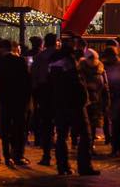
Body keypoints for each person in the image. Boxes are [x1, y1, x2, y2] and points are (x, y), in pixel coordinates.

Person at [50, 39, 99, 176]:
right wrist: (84, 98)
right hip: (75, 104)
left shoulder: (54, 62)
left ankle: (62, 166)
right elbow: (76, 83)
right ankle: (84, 166)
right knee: (86, 135)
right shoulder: (70, 62)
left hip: (59, 103)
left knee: (62, 135)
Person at [0, 38, 31, 165]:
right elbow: (26, 81)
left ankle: (7, 155)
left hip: (5, 98)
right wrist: (27, 99)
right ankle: (18, 154)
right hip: (19, 99)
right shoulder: (20, 60)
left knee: (6, 127)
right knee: (19, 128)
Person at [31, 32, 58, 165]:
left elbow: (34, 76)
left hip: (44, 91)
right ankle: (61, 158)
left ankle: (46, 155)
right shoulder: (61, 55)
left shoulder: (40, 57)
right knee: (60, 125)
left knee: (46, 123)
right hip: (59, 92)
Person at [80, 49, 109, 145]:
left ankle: (90, 144)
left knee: (93, 125)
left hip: (97, 100)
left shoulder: (101, 70)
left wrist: (106, 101)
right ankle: (85, 145)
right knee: (85, 125)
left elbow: (105, 86)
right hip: (84, 101)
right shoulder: (81, 70)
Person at [102, 46, 120, 156]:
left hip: (116, 97)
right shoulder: (107, 66)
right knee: (115, 124)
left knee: (116, 124)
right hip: (112, 97)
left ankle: (115, 148)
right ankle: (115, 148)